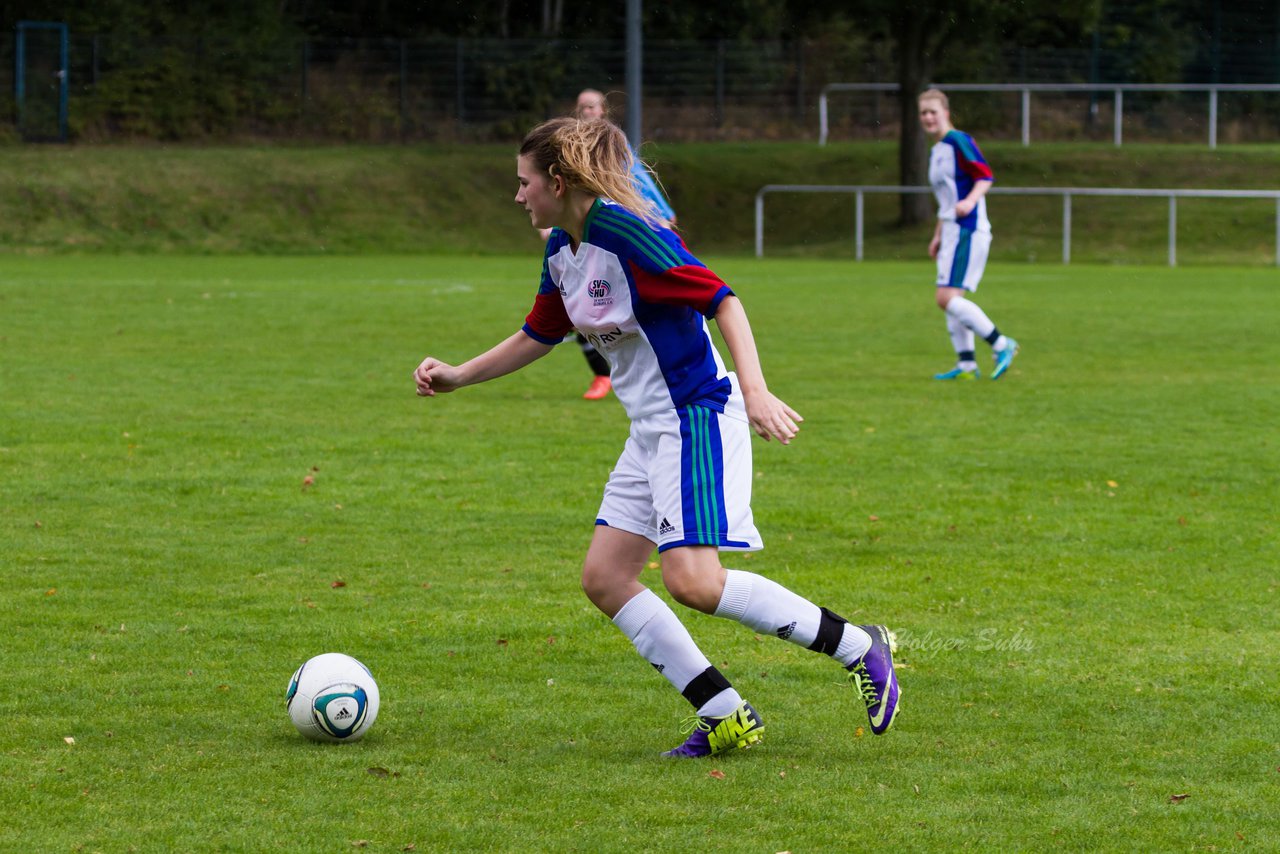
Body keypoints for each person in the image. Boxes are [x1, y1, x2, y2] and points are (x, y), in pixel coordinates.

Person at [413, 116, 899, 757]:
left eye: (524, 181)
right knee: (606, 578)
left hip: (696, 413)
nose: (518, 194)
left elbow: (723, 299)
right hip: (649, 429)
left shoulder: (626, 234)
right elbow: (540, 331)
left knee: (695, 582)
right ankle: (724, 712)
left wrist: (755, 391)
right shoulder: (564, 247)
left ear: (557, 181)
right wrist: (458, 377)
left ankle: (860, 649)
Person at [549, 89, 678, 401]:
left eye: (592, 107)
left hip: (619, 244)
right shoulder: (570, 153)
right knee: (576, 311)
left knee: (614, 309)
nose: (587, 112)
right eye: (582, 107)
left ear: (603, 111)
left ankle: (649, 374)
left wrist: (662, 216)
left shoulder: (613, 148)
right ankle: (603, 375)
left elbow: (637, 183)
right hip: (588, 241)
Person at [918, 88, 1020, 381]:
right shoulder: (936, 150)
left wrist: (970, 201)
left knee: (945, 297)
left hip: (968, 227)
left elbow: (985, 175)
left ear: (945, 113)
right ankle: (966, 365)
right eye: (923, 113)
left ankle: (1002, 344)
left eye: (933, 111)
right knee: (953, 296)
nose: (928, 117)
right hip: (950, 229)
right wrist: (938, 234)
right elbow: (945, 200)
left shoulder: (958, 141)